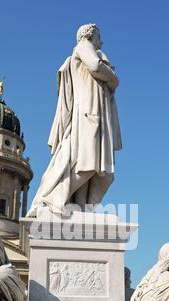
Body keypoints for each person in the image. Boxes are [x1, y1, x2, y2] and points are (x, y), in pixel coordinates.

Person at [27, 23, 122, 216]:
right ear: (89, 35)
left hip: (92, 112)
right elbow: (96, 67)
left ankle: (80, 208)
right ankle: (52, 199)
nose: (101, 41)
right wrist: (113, 76)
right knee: (88, 161)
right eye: (99, 36)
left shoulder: (89, 51)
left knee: (92, 164)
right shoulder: (84, 46)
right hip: (89, 113)